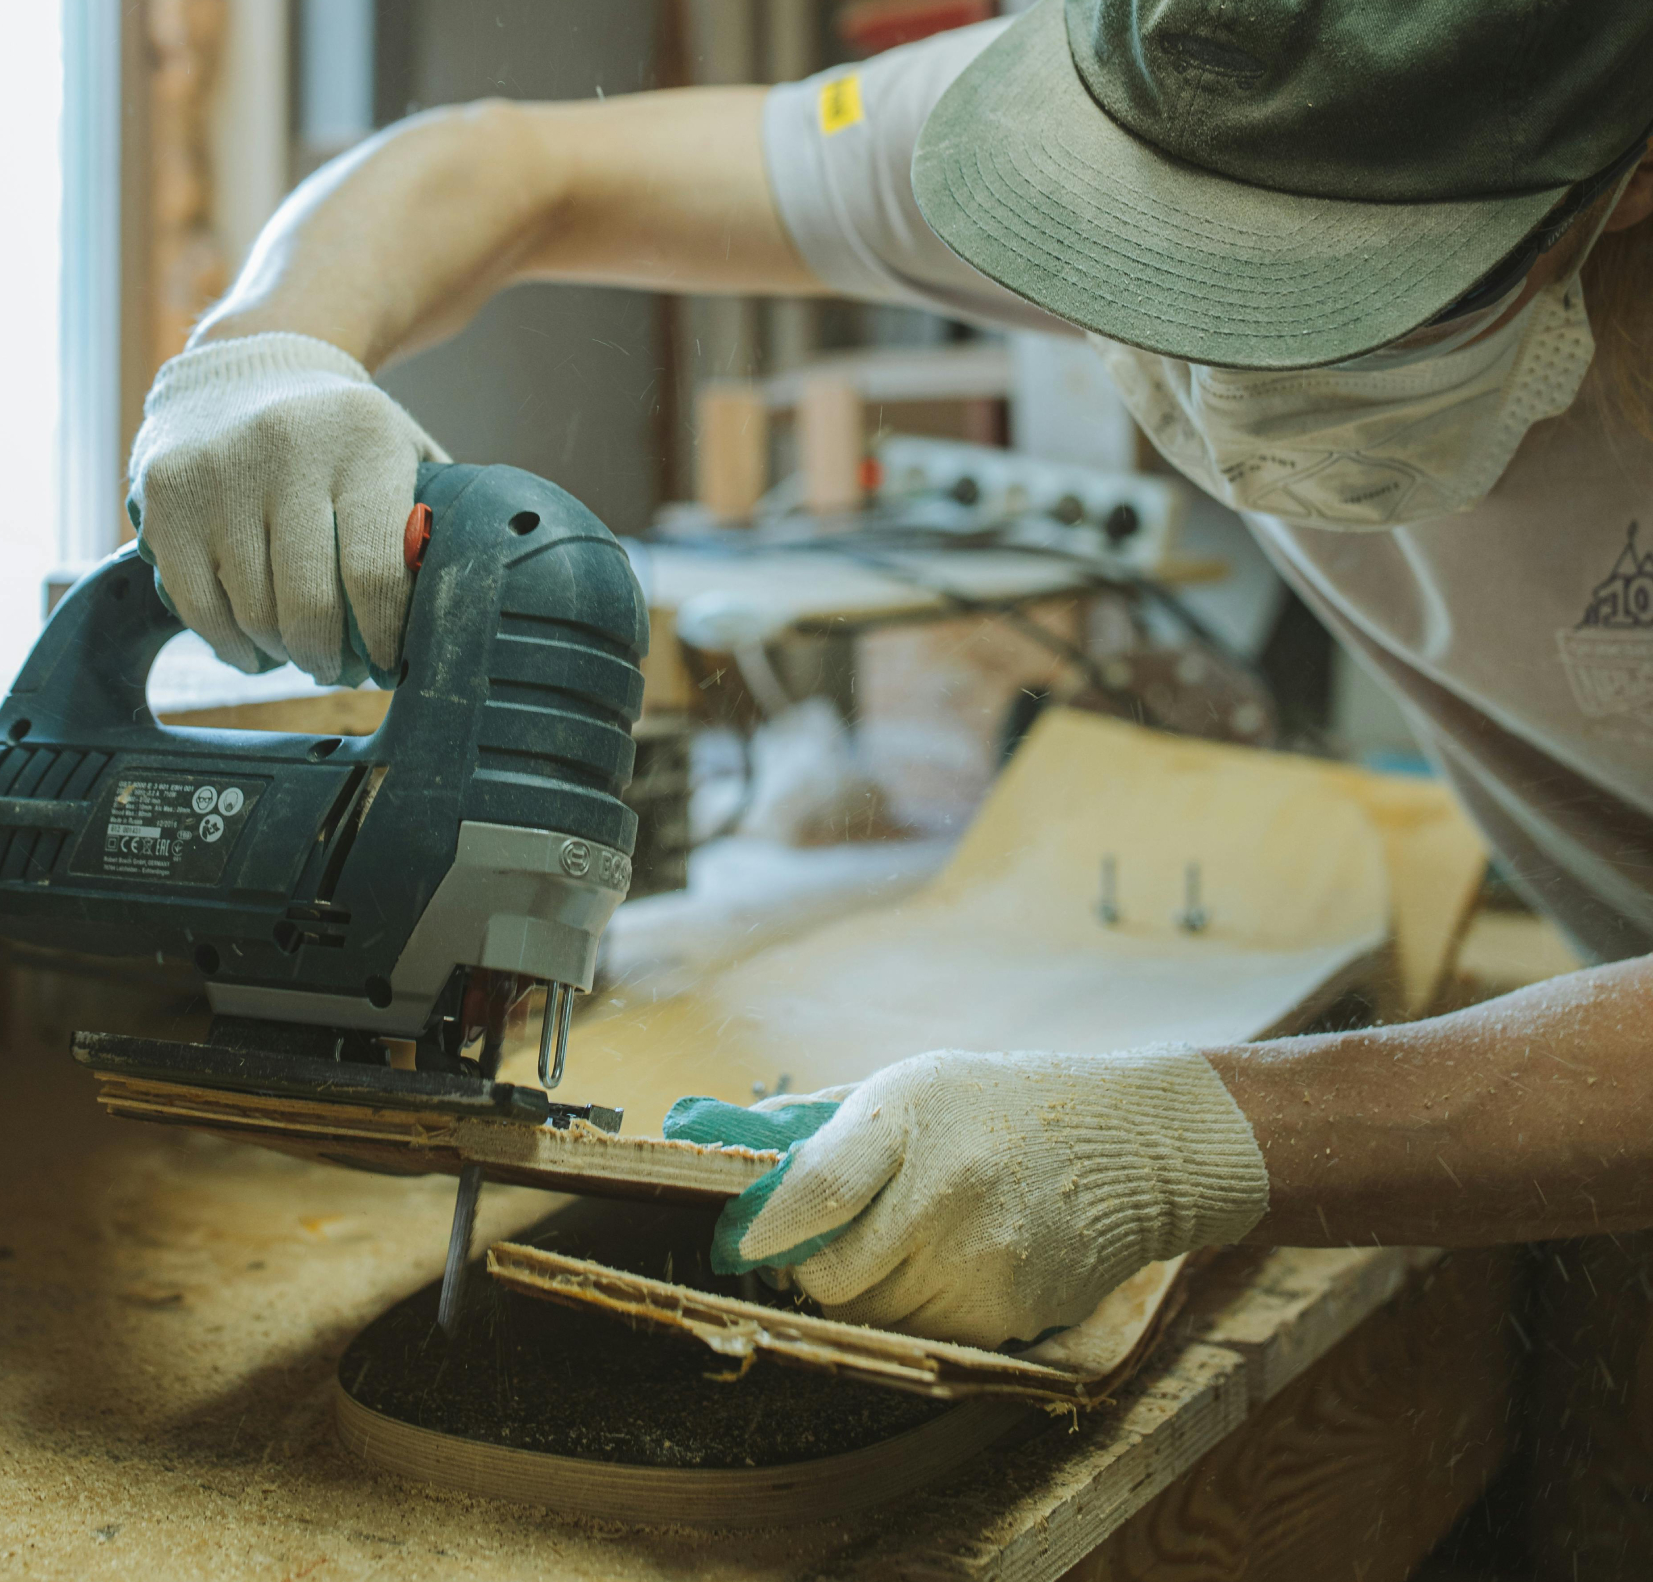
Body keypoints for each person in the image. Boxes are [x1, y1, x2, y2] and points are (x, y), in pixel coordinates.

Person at [127, 1, 1653, 1565]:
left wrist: (1183, 1138)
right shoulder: (1157, 90)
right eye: (1147, 257)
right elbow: (511, 165)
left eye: (1293, 289)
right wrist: (267, 347)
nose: (1201, 362)